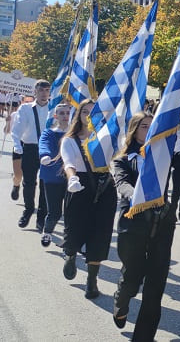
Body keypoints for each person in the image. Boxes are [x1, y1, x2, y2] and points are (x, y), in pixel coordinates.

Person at [112, 111, 177, 341]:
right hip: (134, 224)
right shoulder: (122, 159)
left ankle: (143, 337)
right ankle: (121, 299)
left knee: (155, 285)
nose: (148, 130)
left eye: (152, 126)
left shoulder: (162, 156)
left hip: (162, 223)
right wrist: (139, 198)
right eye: (144, 126)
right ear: (134, 129)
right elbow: (122, 184)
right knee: (132, 277)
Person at [60, 100, 118, 299]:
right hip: (79, 186)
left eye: (94, 112)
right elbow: (68, 162)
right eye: (85, 111)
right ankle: (70, 254)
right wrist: (72, 178)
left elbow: (118, 158)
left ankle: (92, 281)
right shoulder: (70, 139)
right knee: (75, 228)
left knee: (100, 234)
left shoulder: (108, 139)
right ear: (79, 114)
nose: (89, 115)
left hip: (104, 187)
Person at [12, 80, 50, 230]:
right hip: (30, 148)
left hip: (48, 150)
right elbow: (17, 129)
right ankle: (28, 210)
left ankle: (42, 216)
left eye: (47, 90)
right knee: (29, 183)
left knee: (45, 184)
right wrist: (17, 146)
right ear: (35, 91)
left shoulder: (53, 109)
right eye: (41, 90)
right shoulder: (25, 108)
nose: (44, 93)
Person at [37, 103, 71, 247]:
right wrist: (45, 156)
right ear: (56, 116)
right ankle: (47, 232)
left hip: (71, 178)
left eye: (67, 113)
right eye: (61, 113)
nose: (65, 116)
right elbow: (44, 144)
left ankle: (69, 241)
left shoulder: (74, 134)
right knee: (55, 212)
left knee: (71, 213)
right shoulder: (49, 132)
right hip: (53, 178)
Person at [7, 101, 23, 201]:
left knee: (29, 174)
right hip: (18, 145)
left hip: (33, 146)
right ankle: (16, 185)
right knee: (18, 174)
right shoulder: (15, 114)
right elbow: (6, 131)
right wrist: (8, 122)